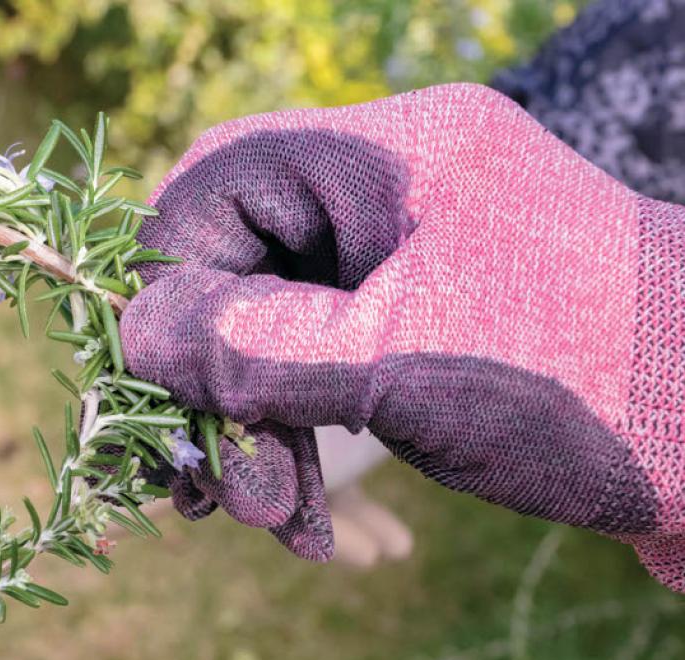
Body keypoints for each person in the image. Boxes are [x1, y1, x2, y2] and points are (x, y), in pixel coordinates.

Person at [120, 0, 685, 592]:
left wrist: (654, 342)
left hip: (516, 292)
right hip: (507, 197)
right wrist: (487, 144)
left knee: (297, 398)